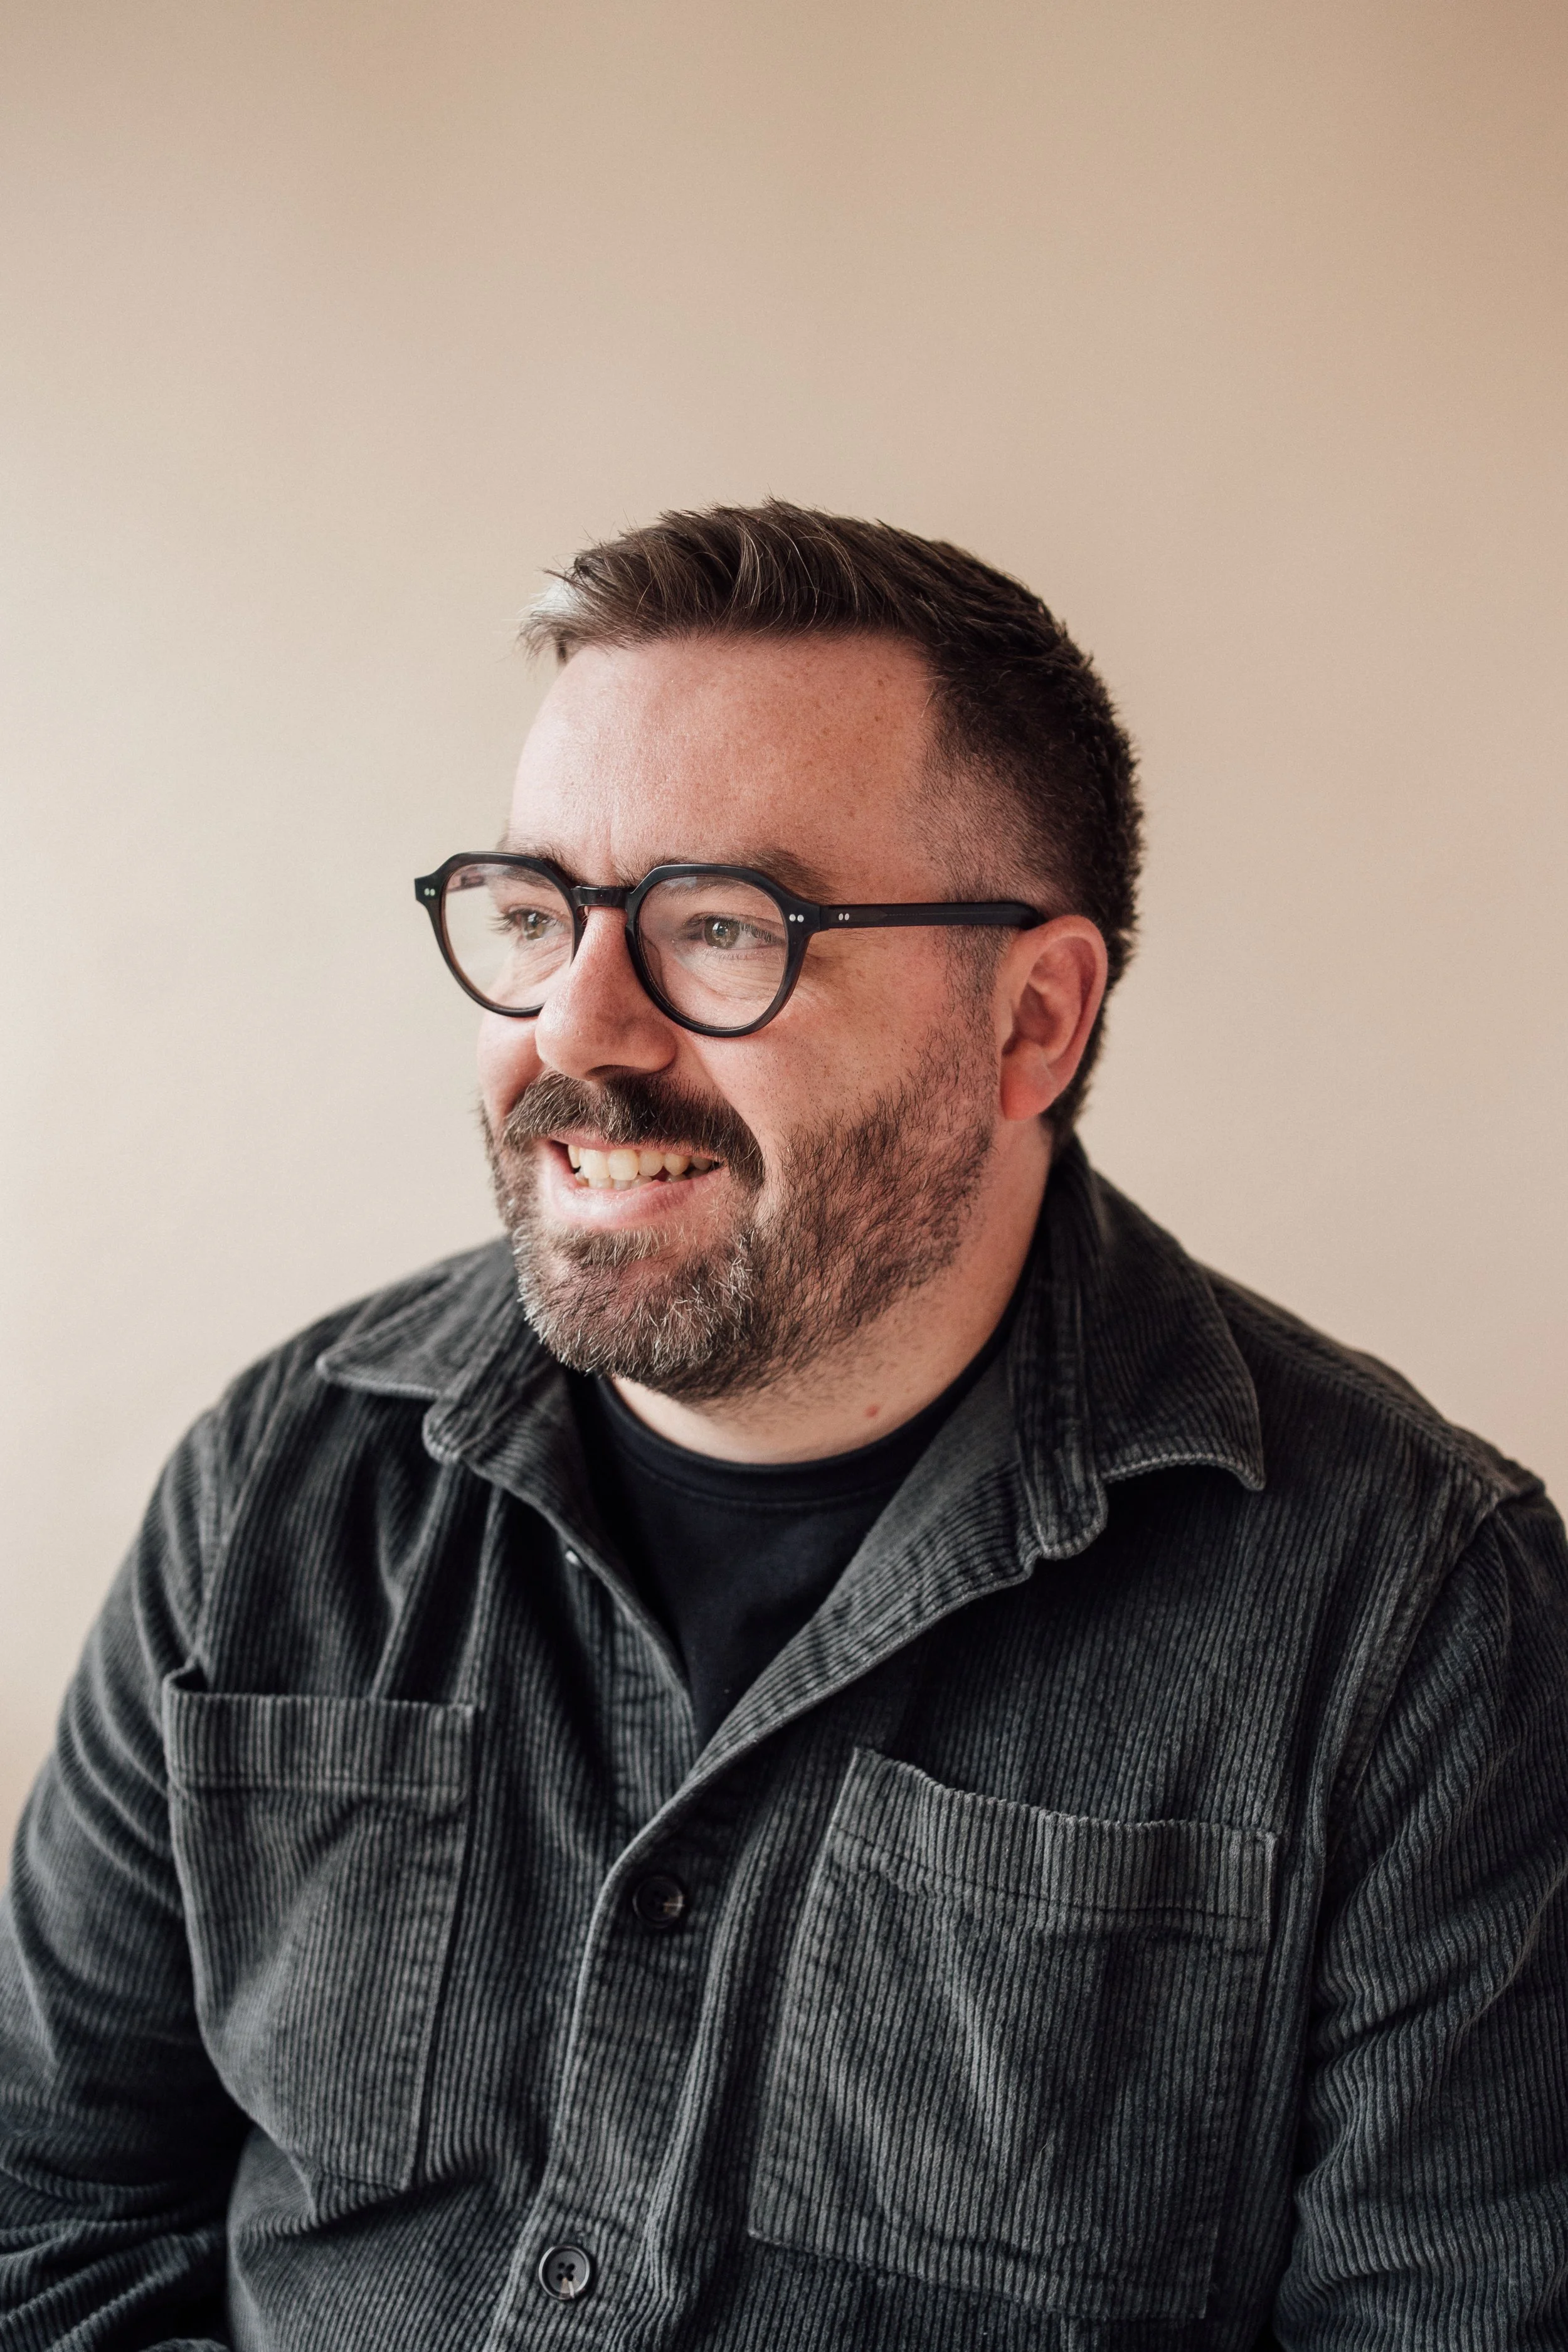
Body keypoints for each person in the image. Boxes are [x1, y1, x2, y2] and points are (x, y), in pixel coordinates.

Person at [1, 502, 1563, 2352]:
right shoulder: (282, 1477)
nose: (576, 1030)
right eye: (535, 914)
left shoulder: (1409, 1617)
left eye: (719, 928)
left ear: (1032, 1017)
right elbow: (53, 2220)